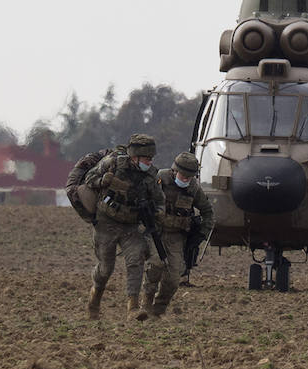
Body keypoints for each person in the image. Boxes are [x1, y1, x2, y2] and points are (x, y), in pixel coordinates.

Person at [82, 132, 165, 319]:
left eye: (151, 158)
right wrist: (102, 181)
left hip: (131, 227)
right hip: (106, 223)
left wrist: (158, 212)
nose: (149, 162)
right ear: (134, 156)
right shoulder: (112, 163)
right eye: (146, 158)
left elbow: (161, 200)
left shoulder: (151, 175)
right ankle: (94, 299)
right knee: (105, 269)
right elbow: (89, 179)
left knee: (136, 261)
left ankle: (133, 308)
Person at [138, 152, 215, 319]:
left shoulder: (194, 188)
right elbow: (141, 198)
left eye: (190, 176)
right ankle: (145, 305)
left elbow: (208, 212)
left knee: (173, 278)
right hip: (156, 232)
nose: (186, 179)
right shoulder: (159, 179)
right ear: (174, 171)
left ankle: (158, 310)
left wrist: (201, 234)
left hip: (177, 238)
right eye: (183, 175)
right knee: (155, 265)